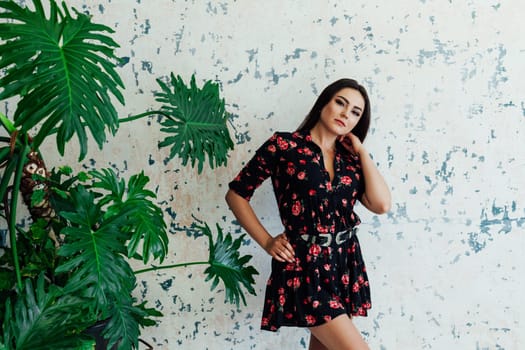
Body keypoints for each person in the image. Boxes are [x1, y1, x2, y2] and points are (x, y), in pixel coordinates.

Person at [225, 78, 391, 350]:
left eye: (355, 113)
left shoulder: (350, 160)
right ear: (324, 102)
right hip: (304, 266)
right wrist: (267, 242)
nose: (345, 114)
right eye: (340, 103)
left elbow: (381, 204)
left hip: (344, 263)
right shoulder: (283, 146)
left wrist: (362, 152)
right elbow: (236, 194)